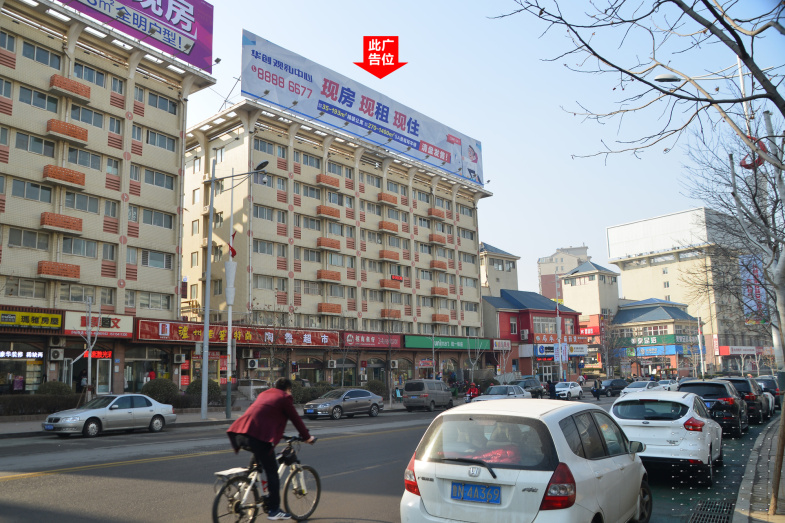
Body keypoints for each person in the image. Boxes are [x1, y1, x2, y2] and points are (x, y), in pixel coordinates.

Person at [227, 377, 315, 521]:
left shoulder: (265, 394)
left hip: (241, 433)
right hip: (259, 438)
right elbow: (296, 419)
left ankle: (246, 486)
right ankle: (274, 510)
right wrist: (307, 437)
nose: (290, 393)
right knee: (272, 472)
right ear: (288, 389)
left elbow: (264, 415)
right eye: (290, 390)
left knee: (256, 465)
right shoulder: (284, 398)